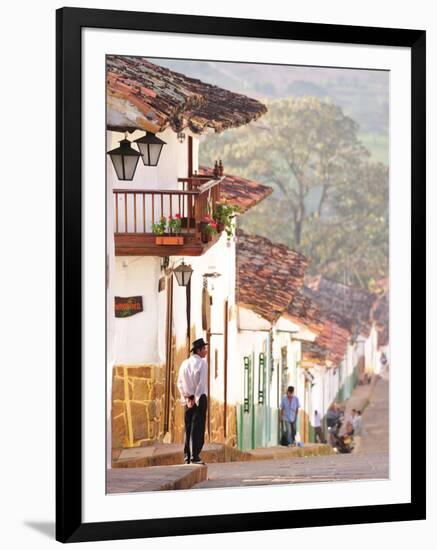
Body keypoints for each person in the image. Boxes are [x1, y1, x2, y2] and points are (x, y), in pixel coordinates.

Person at [177, 338, 208, 465]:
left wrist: (187, 398)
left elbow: (179, 383)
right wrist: (195, 398)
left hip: (188, 400)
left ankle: (187, 456)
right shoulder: (202, 363)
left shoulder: (184, 363)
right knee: (198, 428)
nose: (206, 351)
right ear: (199, 350)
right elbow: (201, 384)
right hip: (199, 398)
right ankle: (195, 456)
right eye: (204, 349)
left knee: (188, 428)